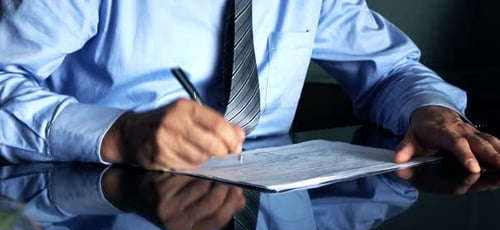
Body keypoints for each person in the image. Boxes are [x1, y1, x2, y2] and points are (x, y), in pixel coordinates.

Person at [0, 0, 498, 173]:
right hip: (99, 206)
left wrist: (430, 110)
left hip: (267, 196)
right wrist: (117, 133)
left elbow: (390, 70)